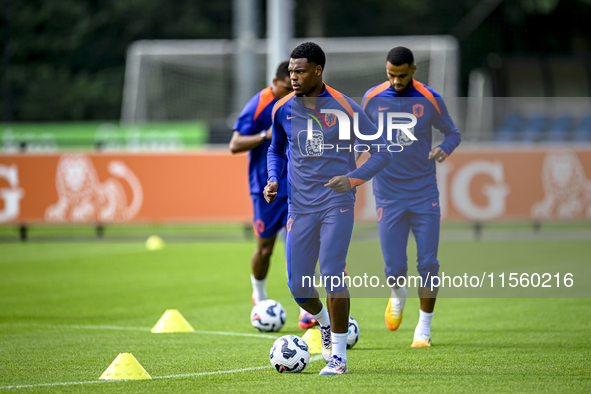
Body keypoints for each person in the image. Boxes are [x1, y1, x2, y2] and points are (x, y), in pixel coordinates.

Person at [264, 42, 391, 375]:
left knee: (332, 271)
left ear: (318, 71)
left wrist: (351, 180)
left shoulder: (346, 108)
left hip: (337, 204)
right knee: (298, 287)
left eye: (300, 71)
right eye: (291, 71)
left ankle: (338, 356)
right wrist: (274, 179)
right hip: (299, 208)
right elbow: (275, 150)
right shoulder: (282, 110)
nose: (293, 77)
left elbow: (381, 152)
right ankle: (322, 321)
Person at [361, 46, 461, 347]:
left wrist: (443, 149)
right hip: (388, 195)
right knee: (394, 269)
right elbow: (358, 134)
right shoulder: (371, 98)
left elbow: (453, 133)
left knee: (428, 263)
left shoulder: (430, 99)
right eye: (391, 75)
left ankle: (424, 329)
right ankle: (397, 294)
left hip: (423, 192)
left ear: (413, 70)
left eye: (402, 76)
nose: (396, 82)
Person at [229, 61, 319, 330]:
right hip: (265, 189)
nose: (288, 90)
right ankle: (259, 293)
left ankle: (309, 311)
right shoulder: (260, 103)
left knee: (304, 250)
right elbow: (234, 144)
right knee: (265, 248)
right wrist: (264, 135)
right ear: (275, 82)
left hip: (298, 188)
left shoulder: (302, 102)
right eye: (284, 85)